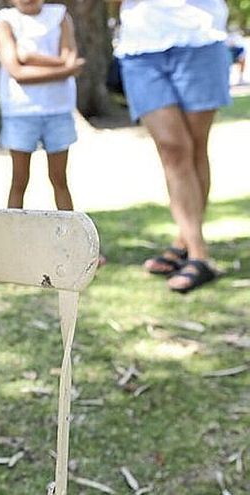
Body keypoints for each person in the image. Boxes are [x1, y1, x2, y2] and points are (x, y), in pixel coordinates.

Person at [116, 0, 230, 293]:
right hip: (140, 45)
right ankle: (197, 252)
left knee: (193, 148)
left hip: (199, 36)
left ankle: (188, 245)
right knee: (173, 148)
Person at [0, 0, 85, 212]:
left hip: (58, 109)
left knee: (60, 180)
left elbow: (68, 55)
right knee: (19, 180)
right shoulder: (6, 22)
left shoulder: (60, 16)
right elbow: (17, 72)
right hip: (20, 110)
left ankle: (69, 235)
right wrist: (64, 69)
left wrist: (29, 58)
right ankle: (14, 232)